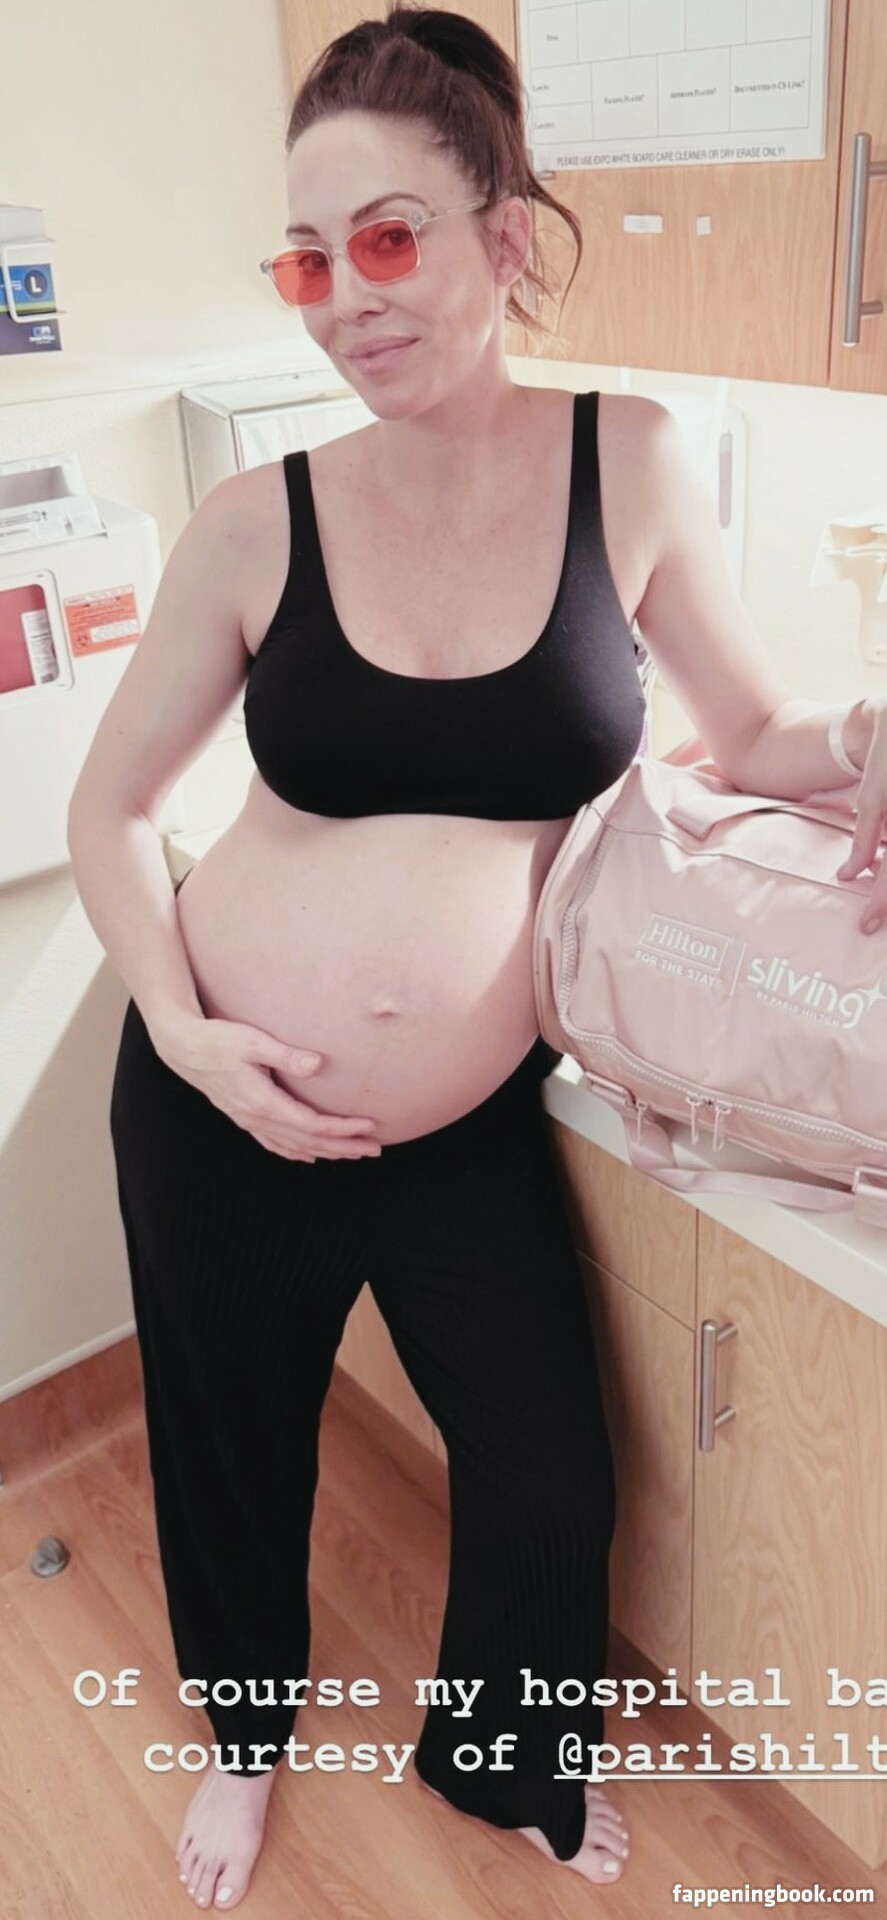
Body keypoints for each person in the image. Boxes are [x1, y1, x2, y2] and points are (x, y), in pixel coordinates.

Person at [68, 4, 820, 1912]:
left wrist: (869, 738)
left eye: (388, 239)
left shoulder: (631, 464)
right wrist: (189, 1033)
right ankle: (245, 1741)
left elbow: (755, 733)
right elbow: (112, 812)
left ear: (504, 228)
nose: (345, 301)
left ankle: (498, 1760)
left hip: (463, 1129)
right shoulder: (256, 523)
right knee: (231, 1452)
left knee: (549, 1471)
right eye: (308, 262)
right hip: (218, 1103)